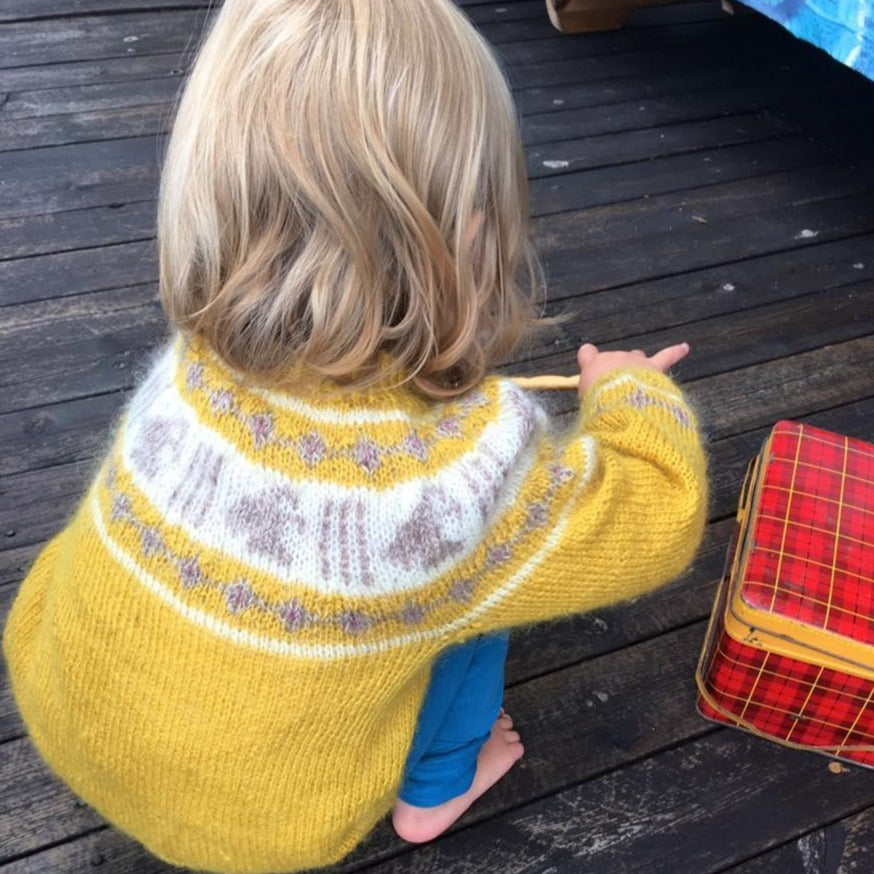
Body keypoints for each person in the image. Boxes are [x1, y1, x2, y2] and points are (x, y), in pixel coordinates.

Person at [2, 1, 708, 872]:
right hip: (261, 831)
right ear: (470, 232)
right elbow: (657, 517)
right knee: (488, 594)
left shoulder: (187, 372)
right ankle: (437, 789)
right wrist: (632, 394)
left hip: (66, 713)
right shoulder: (459, 478)